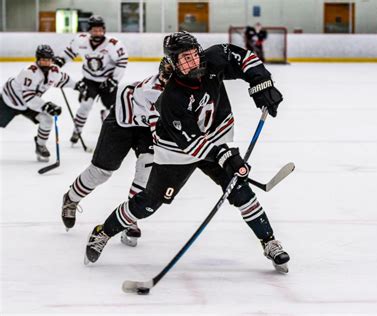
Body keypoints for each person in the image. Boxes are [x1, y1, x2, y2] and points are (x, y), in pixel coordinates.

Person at [84, 31, 290, 273]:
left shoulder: (213, 58)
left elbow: (245, 59)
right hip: (176, 151)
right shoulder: (171, 97)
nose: (192, 62)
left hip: (215, 138)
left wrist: (261, 83)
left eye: (194, 55)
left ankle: (269, 242)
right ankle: (103, 232)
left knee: (240, 191)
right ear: (174, 63)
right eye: (184, 59)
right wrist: (227, 156)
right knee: (148, 204)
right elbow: (192, 145)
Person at [61, 58, 173, 247]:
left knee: (147, 165)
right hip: (122, 121)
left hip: (146, 126)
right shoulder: (152, 90)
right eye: (167, 71)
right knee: (101, 172)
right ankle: (71, 198)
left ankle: (130, 216)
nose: (170, 75)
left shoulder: (180, 88)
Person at [54, 15, 128, 144]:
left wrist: (114, 80)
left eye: (100, 30)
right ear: (89, 31)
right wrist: (58, 62)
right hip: (89, 80)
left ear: (104, 30)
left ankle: (109, 132)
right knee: (85, 105)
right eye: (94, 30)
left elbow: (122, 62)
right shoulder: (80, 41)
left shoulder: (113, 44)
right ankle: (77, 131)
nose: (98, 33)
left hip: (107, 81)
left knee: (111, 109)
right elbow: (68, 54)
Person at [0, 45, 80, 162]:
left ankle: (40, 145)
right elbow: (28, 97)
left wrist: (77, 86)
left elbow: (63, 79)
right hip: (9, 101)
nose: (46, 63)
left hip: (28, 105)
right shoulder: (29, 72)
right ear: (37, 59)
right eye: (43, 60)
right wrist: (46, 106)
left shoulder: (54, 71)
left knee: (47, 120)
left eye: (48, 60)